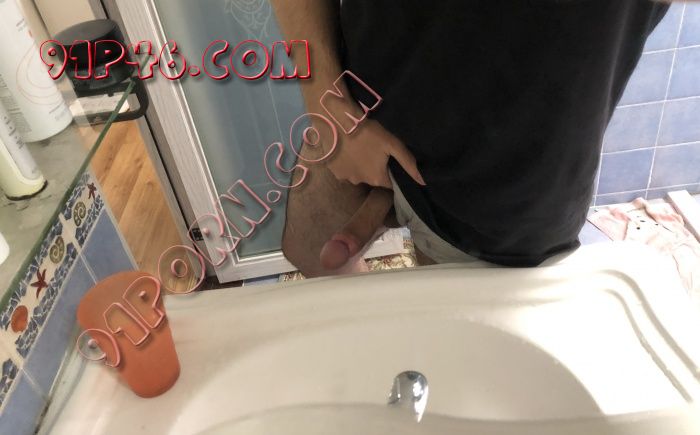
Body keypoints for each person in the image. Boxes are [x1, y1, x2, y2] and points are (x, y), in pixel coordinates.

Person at [269, 0, 673, 278]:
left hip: (503, 176)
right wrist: (327, 103)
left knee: (456, 354)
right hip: (357, 110)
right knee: (309, 247)